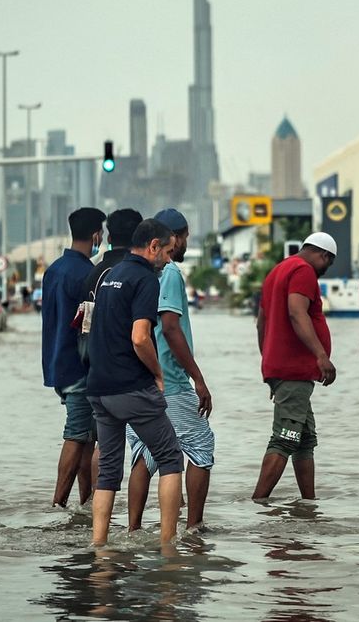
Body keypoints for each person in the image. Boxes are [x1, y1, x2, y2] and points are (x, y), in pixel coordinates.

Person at [85, 219, 183, 546]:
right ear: (153, 246)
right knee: (171, 458)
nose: (169, 260)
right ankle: (169, 544)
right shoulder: (145, 279)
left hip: (99, 388)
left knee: (109, 471)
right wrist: (158, 373)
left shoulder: (110, 275)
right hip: (130, 387)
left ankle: (99, 546)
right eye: (167, 252)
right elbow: (141, 338)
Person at [125, 209, 216, 533]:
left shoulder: (137, 272)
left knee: (144, 454)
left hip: (137, 379)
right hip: (171, 381)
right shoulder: (171, 273)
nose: (185, 243)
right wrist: (198, 379)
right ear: (173, 239)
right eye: (186, 236)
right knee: (201, 445)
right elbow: (171, 327)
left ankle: (133, 528)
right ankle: (194, 526)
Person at [251, 232, 338, 500]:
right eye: (328, 264)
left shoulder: (277, 271)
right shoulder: (303, 271)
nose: (324, 271)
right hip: (294, 372)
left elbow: (261, 323)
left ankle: (308, 505)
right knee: (285, 438)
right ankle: (258, 502)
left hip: (285, 371)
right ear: (324, 256)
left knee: (304, 440)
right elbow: (296, 312)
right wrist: (321, 355)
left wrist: (269, 366)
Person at [41, 207, 107, 507]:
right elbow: (88, 328)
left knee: (86, 438)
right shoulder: (86, 274)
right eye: (101, 233)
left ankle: (84, 505)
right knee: (77, 434)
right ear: (96, 235)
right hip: (79, 368)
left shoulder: (53, 269)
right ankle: (57, 505)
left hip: (57, 364)